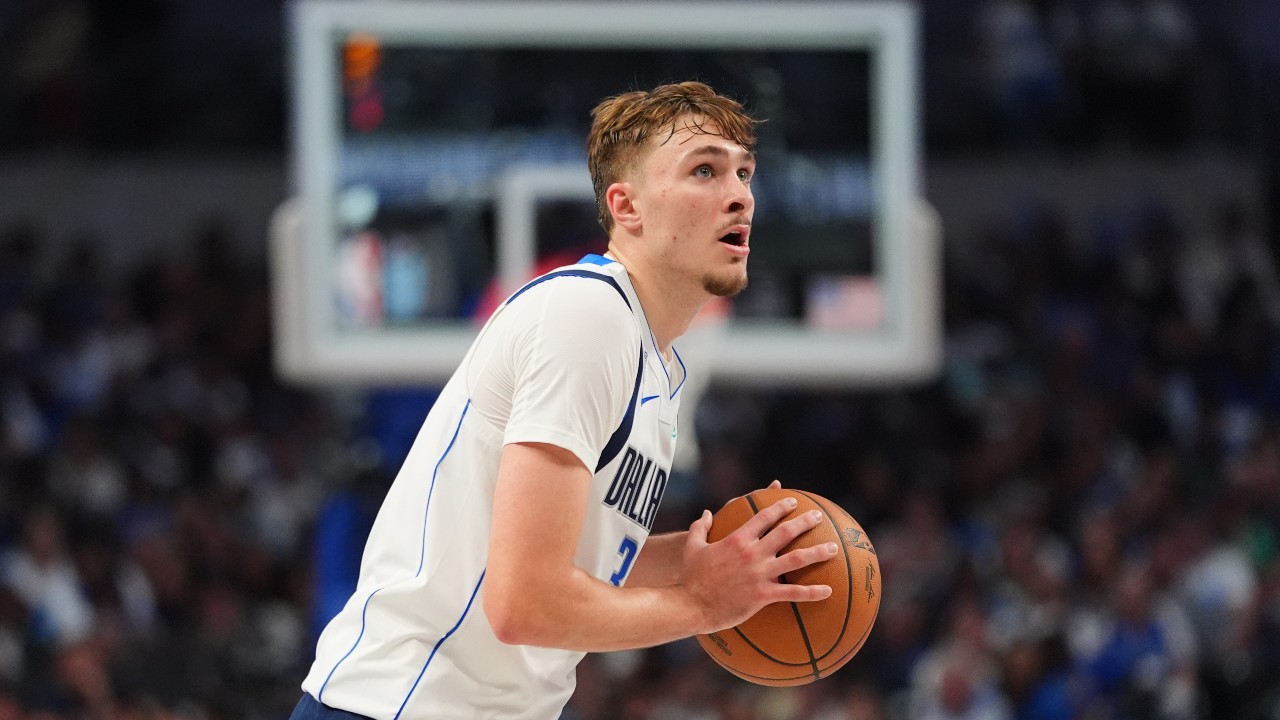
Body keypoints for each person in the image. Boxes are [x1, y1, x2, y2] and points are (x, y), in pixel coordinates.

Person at [290, 81, 837, 720]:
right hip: (400, 704)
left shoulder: (657, 366)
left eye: (744, 173)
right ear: (626, 206)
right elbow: (524, 603)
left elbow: (584, 566)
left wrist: (707, 564)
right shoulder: (587, 316)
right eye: (705, 171)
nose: (740, 194)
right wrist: (702, 604)